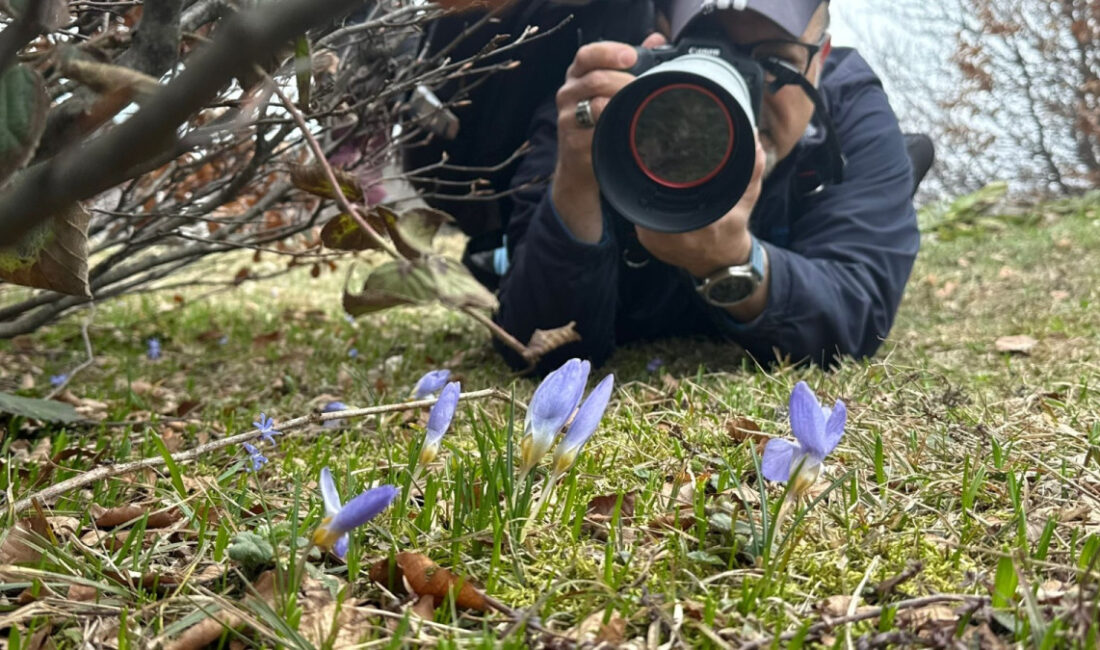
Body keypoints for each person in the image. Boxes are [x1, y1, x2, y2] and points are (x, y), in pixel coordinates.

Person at [492, 0, 921, 371]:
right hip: (640, 301)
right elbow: (534, 344)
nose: (740, 90)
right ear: (658, 41)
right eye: (709, 51)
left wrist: (732, 262)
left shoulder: (847, 106)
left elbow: (860, 309)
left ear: (821, 58)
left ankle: (904, 167)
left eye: (777, 62)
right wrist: (576, 186)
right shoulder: (603, 102)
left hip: (805, 202)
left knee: (883, 177)